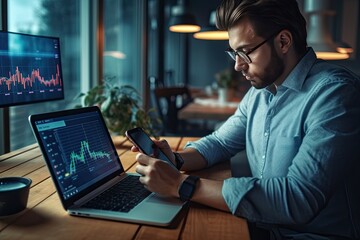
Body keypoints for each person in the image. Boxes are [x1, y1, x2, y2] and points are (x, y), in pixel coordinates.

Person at [132, 0, 360, 239]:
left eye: (245, 52)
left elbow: (297, 198)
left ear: (283, 41)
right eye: (234, 52)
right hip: (265, 227)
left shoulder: (336, 94)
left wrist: (181, 185)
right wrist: (176, 160)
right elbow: (220, 143)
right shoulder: (260, 93)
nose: (238, 65)